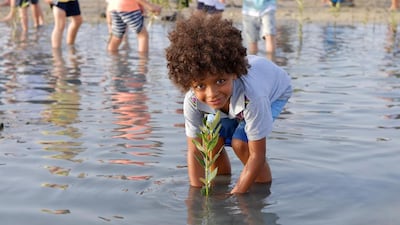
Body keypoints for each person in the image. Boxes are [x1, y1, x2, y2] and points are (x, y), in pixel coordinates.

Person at [165, 13, 292, 194]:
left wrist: (236, 197)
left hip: (274, 92)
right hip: (238, 98)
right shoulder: (192, 101)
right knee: (211, 140)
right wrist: (196, 199)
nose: (212, 94)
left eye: (220, 81)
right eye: (201, 85)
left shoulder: (253, 96)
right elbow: (195, 151)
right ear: (189, 84)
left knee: (242, 144)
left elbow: (258, 155)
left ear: (234, 72)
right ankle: (221, 183)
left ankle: (262, 189)